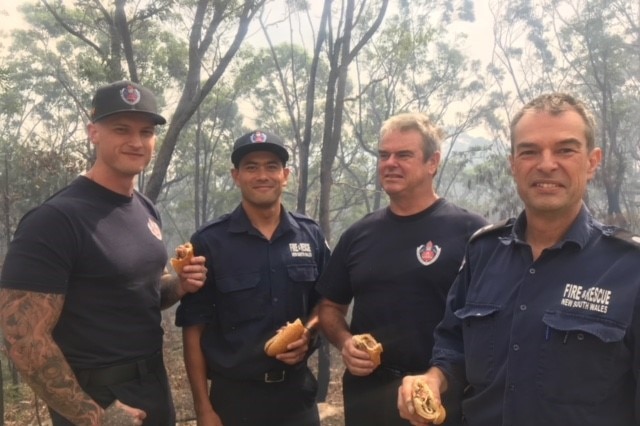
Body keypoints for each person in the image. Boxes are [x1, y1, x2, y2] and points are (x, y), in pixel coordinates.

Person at [398, 92, 640, 425]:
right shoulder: (483, 252)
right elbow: (454, 342)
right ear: (513, 164)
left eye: (565, 150)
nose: (546, 164)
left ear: (592, 161)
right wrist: (433, 379)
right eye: (529, 151)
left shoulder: (628, 268)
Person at [0, 80, 207, 426]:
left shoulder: (144, 209)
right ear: (93, 132)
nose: (136, 142)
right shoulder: (56, 220)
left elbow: (139, 293)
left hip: (153, 386)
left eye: (146, 131)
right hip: (96, 396)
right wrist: (95, 415)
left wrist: (180, 285)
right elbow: (23, 337)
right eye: (121, 129)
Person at [317, 112, 488, 425]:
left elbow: (488, 323)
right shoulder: (358, 235)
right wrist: (345, 342)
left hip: (440, 396)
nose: (390, 163)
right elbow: (329, 307)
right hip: (369, 397)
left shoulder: (471, 232)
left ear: (432, 162)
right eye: (384, 155)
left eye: (404, 155)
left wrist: (442, 376)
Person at [175, 130, 331, 426]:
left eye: (271, 166)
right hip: (234, 400)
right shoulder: (210, 242)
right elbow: (194, 329)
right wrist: (203, 409)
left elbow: (326, 302)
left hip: (297, 397)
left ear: (285, 175)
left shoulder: (309, 235)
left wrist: (308, 333)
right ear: (236, 176)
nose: (262, 175)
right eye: (251, 167)